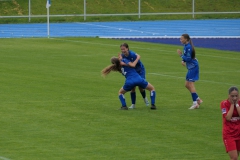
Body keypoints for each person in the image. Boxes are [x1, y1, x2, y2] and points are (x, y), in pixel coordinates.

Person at [119, 43, 149, 109]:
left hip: (139, 71)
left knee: (141, 87)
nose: (123, 51)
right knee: (133, 87)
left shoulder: (132, 54)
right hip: (132, 72)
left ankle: (145, 98)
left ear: (127, 48)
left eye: (124, 49)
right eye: (121, 49)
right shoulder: (122, 56)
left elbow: (134, 64)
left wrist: (136, 59)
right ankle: (133, 104)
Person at [177, 34, 203, 109]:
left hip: (193, 67)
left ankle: (195, 103)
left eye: (181, 39)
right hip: (191, 67)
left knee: (191, 85)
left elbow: (188, 58)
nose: (180, 40)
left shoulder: (188, 47)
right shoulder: (186, 46)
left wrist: (181, 56)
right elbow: (186, 57)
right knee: (187, 85)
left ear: (186, 39)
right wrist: (183, 60)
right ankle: (198, 99)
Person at [220, 86, 240, 160]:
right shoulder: (224, 104)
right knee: (234, 158)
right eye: (232, 96)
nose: (234, 98)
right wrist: (232, 105)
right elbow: (228, 118)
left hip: (238, 133)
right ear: (228, 95)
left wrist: (237, 104)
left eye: (236, 96)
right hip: (229, 134)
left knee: (236, 156)